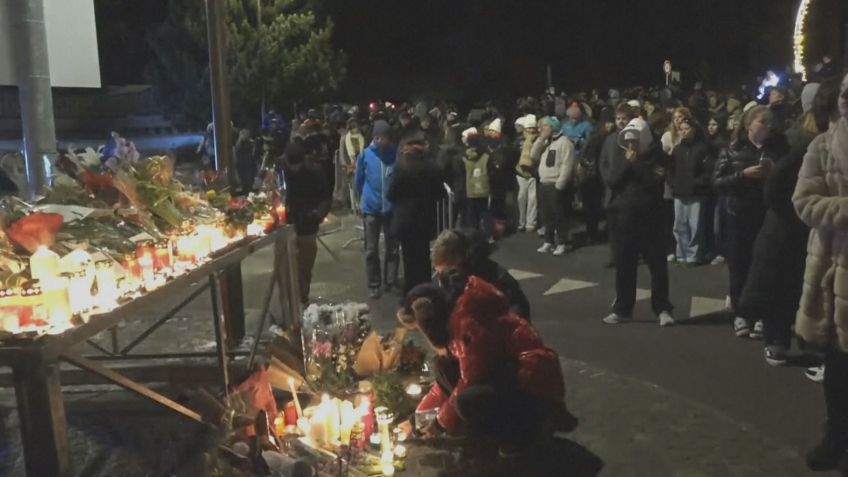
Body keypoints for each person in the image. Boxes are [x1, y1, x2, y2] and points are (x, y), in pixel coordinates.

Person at [397, 278, 572, 454]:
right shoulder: (456, 320)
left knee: (468, 400)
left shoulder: (469, 328)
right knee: (443, 367)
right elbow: (443, 387)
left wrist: (439, 424)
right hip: (511, 377)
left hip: (533, 389)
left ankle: (523, 435)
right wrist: (415, 421)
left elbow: (469, 381)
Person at [741, 77, 840, 367]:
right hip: (789, 228)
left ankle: (805, 340)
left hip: (808, 228)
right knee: (783, 284)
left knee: (804, 285)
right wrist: (799, 212)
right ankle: (778, 339)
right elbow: (776, 189)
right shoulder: (800, 143)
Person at [792, 71, 848, 473]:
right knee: (839, 368)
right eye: (844, 93)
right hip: (834, 271)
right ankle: (837, 436)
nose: (845, 100)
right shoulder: (823, 146)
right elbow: (804, 202)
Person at [713, 105, 790, 338]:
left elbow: (790, 179)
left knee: (766, 268)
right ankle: (741, 314)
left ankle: (761, 315)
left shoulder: (778, 149)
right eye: (762, 122)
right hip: (739, 216)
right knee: (740, 267)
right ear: (749, 124)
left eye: (769, 122)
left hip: (767, 216)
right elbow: (717, 182)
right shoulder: (732, 149)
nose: (767, 127)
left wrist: (774, 174)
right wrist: (742, 175)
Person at [602, 118, 675, 327]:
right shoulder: (623, 154)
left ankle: (662, 308)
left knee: (657, 265)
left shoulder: (657, 156)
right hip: (624, 218)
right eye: (628, 140)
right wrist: (627, 163)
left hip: (651, 218)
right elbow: (612, 180)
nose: (631, 144)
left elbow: (654, 180)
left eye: (635, 140)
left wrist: (636, 164)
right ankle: (623, 309)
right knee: (624, 264)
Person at [388, 130, 446, 295]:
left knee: (409, 259)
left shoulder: (401, 166)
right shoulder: (432, 166)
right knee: (423, 258)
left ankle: (412, 293)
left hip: (405, 220)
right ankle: (426, 292)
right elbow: (441, 194)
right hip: (425, 219)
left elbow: (392, 194)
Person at [431, 228, 531, 320]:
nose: (442, 279)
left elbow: (518, 312)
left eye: (446, 272)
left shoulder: (497, 278)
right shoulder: (455, 279)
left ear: (460, 260)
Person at [280, 140, 332, 305]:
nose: (294, 169)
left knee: (304, 266)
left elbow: (325, 198)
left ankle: (302, 299)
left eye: (297, 166)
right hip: (286, 224)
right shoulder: (283, 168)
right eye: (291, 165)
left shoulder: (314, 172)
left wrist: (316, 215)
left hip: (308, 225)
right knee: (286, 266)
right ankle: (288, 301)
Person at [355, 120, 399, 299]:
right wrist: (363, 200)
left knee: (393, 248)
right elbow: (359, 181)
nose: (380, 141)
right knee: (371, 249)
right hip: (371, 208)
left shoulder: (395, 154)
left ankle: (391, 280)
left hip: (391, 208)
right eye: (377, 137)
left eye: (384, 138)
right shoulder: (365, 155)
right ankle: (374, 283)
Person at [669, 118, 714, 265]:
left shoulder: (702, 149)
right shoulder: (677, 150)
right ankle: (681, 253)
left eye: (686, 129)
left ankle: (693, 254)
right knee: (679, 225)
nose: (683, 132)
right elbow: (670, 170)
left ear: (693, 130)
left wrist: (697, 183)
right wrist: (673, 183)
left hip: (696, 193)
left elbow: (708, 171)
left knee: (695, 226)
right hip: (679, 193)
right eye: (681, 129)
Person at [531, 116, 577, 256]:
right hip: (544, 183)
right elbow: (533, 155)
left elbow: (567, 165)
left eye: (545, 126)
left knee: (559, 215)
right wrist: (540, 140)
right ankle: (548, 241)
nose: (541, 129)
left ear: (553, 127)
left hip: (556, 184)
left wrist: (560, 185)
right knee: (547, 215)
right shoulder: (546, 142)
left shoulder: (565, 143)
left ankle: (562, 242)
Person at [600, 104, 638, 266]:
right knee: (613, 227)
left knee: (628, 227)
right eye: (618, 118)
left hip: (627, 190)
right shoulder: (609, 139)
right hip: (611, 190)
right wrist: (608, 179)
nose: (620, 122)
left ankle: (630, 256)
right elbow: (603, 162)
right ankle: (615, 256)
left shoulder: (634, 138)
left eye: (624, 118)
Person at [581, 107, 615, 243]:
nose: (610, 125)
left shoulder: (613, 137)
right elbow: (587, 157)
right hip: (593, 177)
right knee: (592, 208)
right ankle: (592, 233)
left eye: (611, 122)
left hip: (605, 176)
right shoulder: (596, 138)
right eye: (607, 122)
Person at [463, 131, 494, 240]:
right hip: (483, 189)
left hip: (470, 190)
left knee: (472, 215)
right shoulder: (486, 156)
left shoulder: (464, 156)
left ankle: (473, 236)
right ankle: (488, 236)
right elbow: (492, 172)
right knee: (485, 213)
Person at [515, 115, 539, 232]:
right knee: (521, 198)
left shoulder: (539, 140)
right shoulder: (519, 141)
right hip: (521, 173)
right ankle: (521, 221)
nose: (531, 130)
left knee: (533, 199)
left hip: (533, 173)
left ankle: (531, 222)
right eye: (529, 128)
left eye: (533, 128)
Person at [336, 118, 366, 209]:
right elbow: (342, 152)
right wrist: (345, 164)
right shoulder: (345, 137)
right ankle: (351, 205)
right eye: (353, 127)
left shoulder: (361, 136)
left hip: (360, 163)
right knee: (349, 185)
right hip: (349, 164)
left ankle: (360, 204)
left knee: (359, 184)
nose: (355, 129)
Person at [235, 128, 258, 196]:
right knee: (245, 182)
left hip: (249, 164)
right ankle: (247, 193)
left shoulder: (249, 143)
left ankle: (248, 192)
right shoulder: (241, 144)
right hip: (244, 165)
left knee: (249, 181)